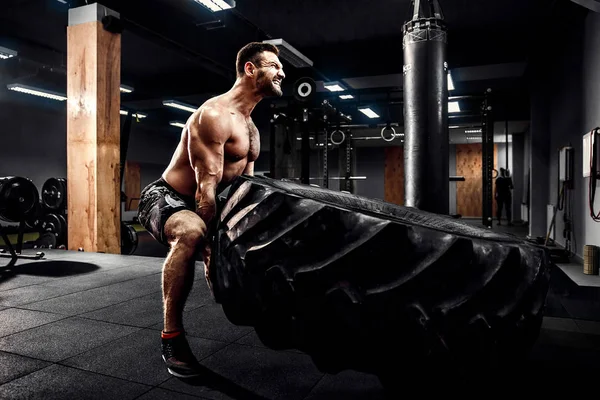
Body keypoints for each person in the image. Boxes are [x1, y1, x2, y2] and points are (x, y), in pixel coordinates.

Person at [137, 42, 285, 378]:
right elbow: (206, 193)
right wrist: (209, 251)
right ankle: (171, 337)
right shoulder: (213, 116)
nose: (282, 73)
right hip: (166, 197)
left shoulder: (252, 130)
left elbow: (241, 194)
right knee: (192, 232)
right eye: (274, 66)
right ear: (250, 69)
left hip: (204, 205)